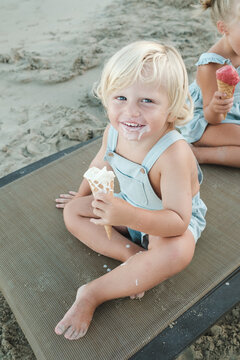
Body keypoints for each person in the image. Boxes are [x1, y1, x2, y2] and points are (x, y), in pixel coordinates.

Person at [54, 40, 207, 340]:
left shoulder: (173, 153)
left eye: (147, 101)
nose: (130, 112)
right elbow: (100, 167)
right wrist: (83, 195)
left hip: (167, 224)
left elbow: (178, 220)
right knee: (74, 212)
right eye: (120, 97)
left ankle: (93, 293)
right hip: (128, 208)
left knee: (178, 252)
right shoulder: (114, 132)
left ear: (172, 109)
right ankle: (133, 256)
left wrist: (128, 215)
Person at [177, 0, 240, 168]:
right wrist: (217, 107)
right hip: (206, 122)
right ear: (223, 28)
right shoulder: (210, 66)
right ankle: (197, 154)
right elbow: (211, 116)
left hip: (235, 113)